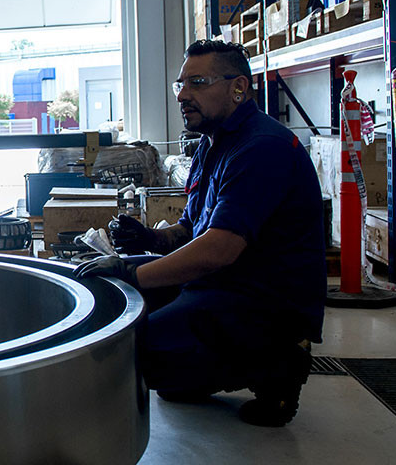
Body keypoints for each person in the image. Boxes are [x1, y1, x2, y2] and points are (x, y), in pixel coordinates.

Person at [75, 39, 326, 427]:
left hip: (262, 302)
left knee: (135, 347)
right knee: (108, 293)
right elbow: (192, 230)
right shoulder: (214, 144)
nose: (182, 95)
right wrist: (149, 240)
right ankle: (200, 365)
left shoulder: (262, 148)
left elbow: (218, 250)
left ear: (238, 88)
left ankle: (279, 362)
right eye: (181, 84)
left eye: (197, 83)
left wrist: (133, 273)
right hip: (221, 283)